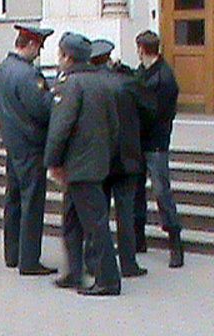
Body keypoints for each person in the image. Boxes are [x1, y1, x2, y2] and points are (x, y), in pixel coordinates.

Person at [45, 32, 121, 296]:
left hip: (78, 168)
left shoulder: (71, 85)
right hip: (94, 165)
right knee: (72, 222)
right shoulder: (101, 81)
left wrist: (52, 162)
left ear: (67, 57)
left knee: (94, 226)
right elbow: (114, 127)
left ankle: (108, 279)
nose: (59, 59)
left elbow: (60, 129)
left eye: (60, 54)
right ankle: (74, 273)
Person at [0, 25, 58, 276]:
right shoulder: (29, 75)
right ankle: (29, 260)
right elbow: (42, 109)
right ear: (30, 45)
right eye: (38, 48)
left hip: (13, 144)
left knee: (13, 199)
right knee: (32, 202)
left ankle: (12, 254)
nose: (39, 53)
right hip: (31, 146)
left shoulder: (3, 69)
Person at [86, 39, 148, 278]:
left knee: (97, 214)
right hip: (128, 158)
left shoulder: (91, 85)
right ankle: (129, 263)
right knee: (126, 212)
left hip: (101, 158)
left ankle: (95, 261)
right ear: (110, 58)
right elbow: (148, 110)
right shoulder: (128, 83)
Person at [132, 30, 184, 268]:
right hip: (142, 141)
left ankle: (175, 243)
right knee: (136, 190)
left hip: (155, 143)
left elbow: (154, 112)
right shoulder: (146, 71)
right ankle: (138, 238)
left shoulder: (163, 78)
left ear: (142, 49)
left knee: (162, 191)